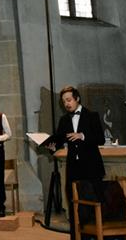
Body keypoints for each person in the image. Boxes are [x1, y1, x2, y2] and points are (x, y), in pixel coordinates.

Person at [47, 86, 105, 240]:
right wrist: (50, 146)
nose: (66, 104)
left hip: (92, 167)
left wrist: (83, 135)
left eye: (69, 100)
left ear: (77, 98)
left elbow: (101, 138)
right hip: (74, 168)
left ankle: (96, 236)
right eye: (63, 101)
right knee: (74, 204)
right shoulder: (64, 120)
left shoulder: (92, 115)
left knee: (94, 203)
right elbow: (58, 141)